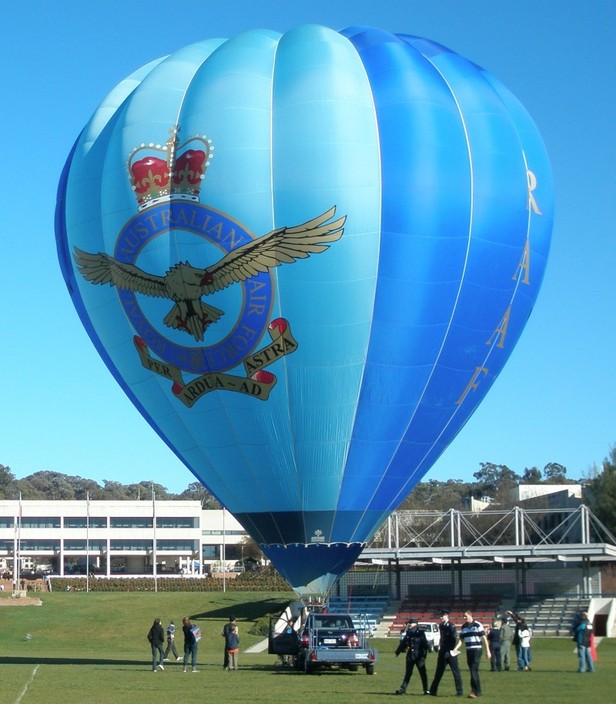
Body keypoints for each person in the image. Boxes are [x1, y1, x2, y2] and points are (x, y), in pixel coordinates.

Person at [455, 610, 491, 698]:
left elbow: (484, 638)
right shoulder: (464, 627)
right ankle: (476, 691)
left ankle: (475, 691)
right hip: (469, 650)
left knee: (473, 670)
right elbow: (461, 640)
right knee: (472, 671)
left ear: (470, 615)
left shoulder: (477, 625)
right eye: (463, 616)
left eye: (465, 616)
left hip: (477, 650)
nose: (464, 618)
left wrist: (488, 651)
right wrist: (455, 648)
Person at [429, 609, 464, 697]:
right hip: (443, 651)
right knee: (438, 672)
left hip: (451, 652)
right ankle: (433, 691)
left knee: (456, 672)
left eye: (442, 616)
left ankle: (459, 692)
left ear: (446, 615)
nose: (440, 617)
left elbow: (453, 639)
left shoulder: (451, 626)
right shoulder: (441, 625)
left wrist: (450, 651)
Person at [394, 616, 430, 695]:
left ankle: (426, 689)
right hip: (410, 656)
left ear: (415, 624)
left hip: (419, 656)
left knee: (422, 673)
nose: (409, 625)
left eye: (411, 623)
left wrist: (424, 655)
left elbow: (424, 644)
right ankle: (403, 689)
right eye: (409, 623)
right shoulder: (409, 632)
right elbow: (403, 642)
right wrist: (398, 651)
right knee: (408, 673)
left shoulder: (420, 632)